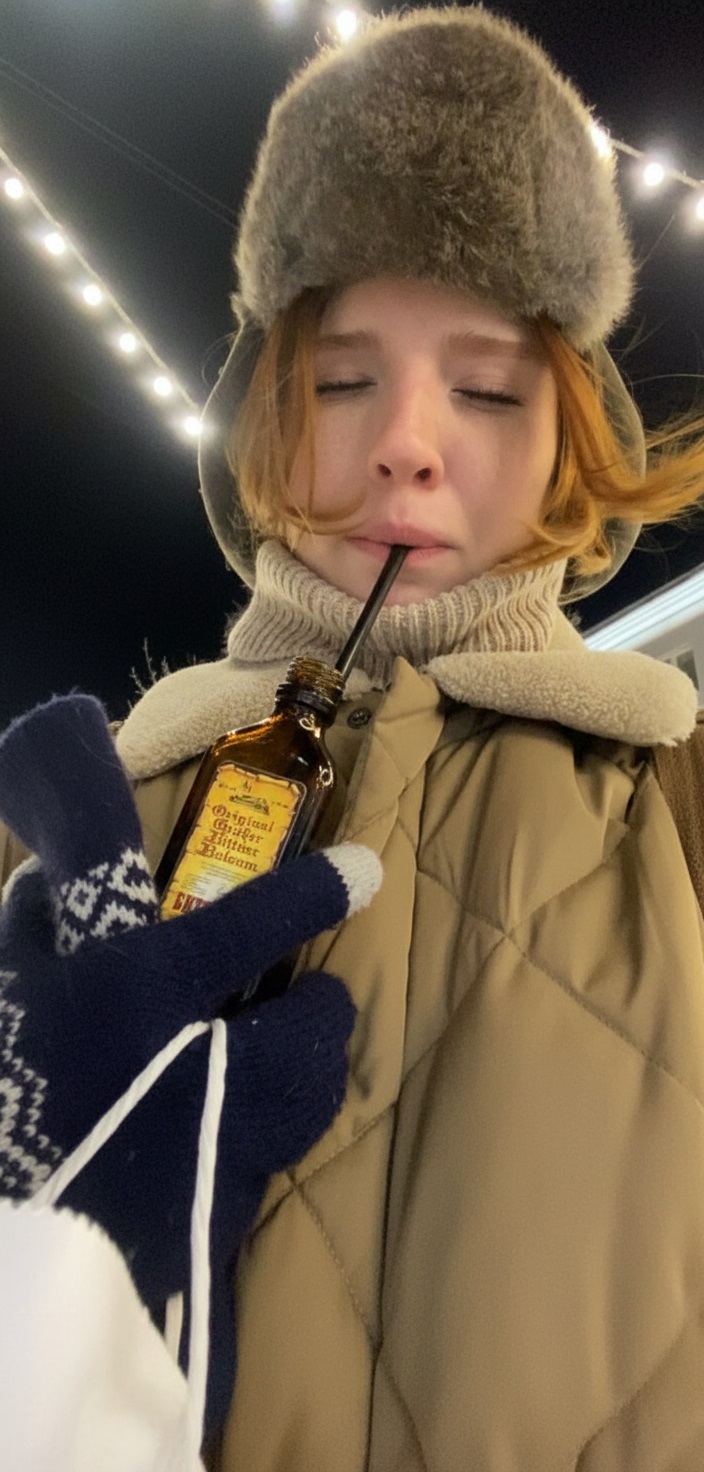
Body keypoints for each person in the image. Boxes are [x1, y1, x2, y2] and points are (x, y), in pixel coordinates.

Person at [4, 5, 704, 1469]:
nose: (407, 442)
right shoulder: (77, 832)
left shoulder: (686, 795)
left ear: (573, 434)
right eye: (341, 377)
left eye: (489, 385)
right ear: (264, 413)